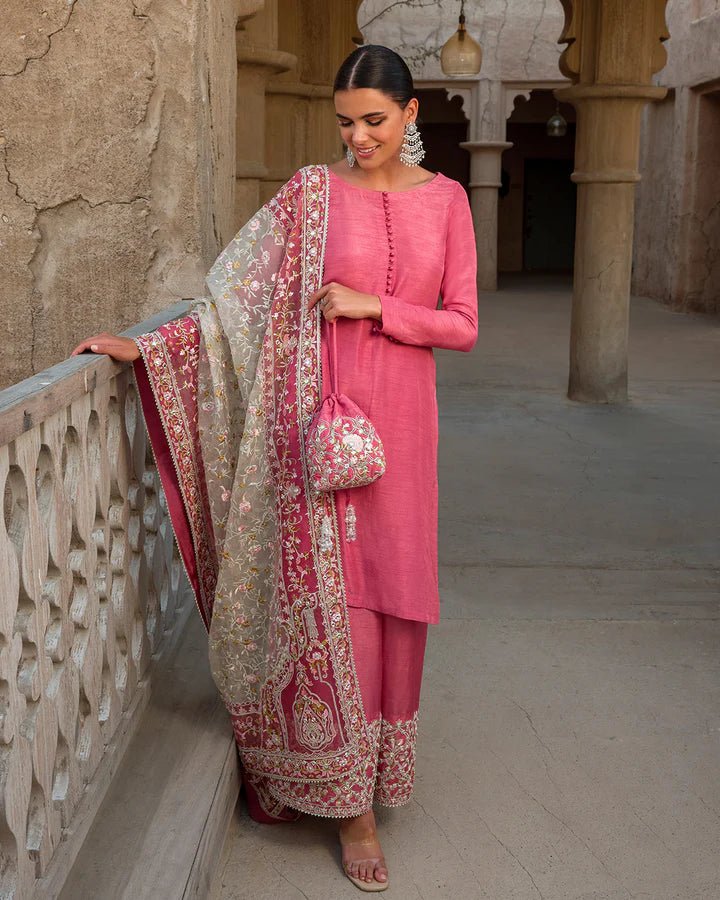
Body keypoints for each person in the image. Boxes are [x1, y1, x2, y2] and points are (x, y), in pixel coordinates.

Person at [71, 44, 478, 893]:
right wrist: (147, 349)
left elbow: (464, 324)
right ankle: (346, 805)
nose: (358, 136)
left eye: (374, 120)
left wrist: (378, 307)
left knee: (396, 597)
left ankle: (373, 774)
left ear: (411, 116)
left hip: (402, 430)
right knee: (340, 600)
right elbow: (235, 304)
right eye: (345, 121)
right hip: (314, 428)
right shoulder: (309, 196)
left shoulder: (448, 202)